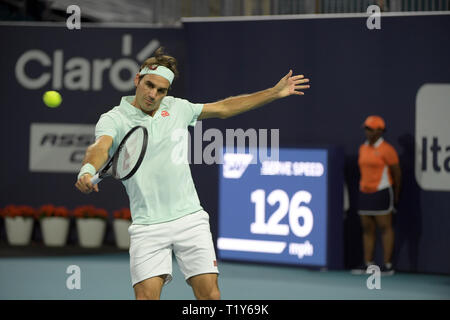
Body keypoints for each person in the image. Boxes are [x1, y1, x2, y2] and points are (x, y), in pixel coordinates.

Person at [74, 47, 310, 300]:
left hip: (189, 220)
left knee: (210, 296)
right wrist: (88, 169)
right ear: (137, 80)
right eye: (149, 85)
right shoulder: (114, 118)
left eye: (161, 90)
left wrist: (274, 93)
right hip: (147, 225)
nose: (153, 94)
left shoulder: (178, 108)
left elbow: (224, 108)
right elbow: (100, 147)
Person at [352, 115, 401, 276]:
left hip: (382, 192)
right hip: (364, 193)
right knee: (367, 229)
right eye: (366, 129)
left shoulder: (387, 150)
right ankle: (369, 264)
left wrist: (397, 195)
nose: (367, 132)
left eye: (370, 129)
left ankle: (387, 265)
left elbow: (397, 174)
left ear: (379, 131)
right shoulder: (363, 148)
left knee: (385, 228)